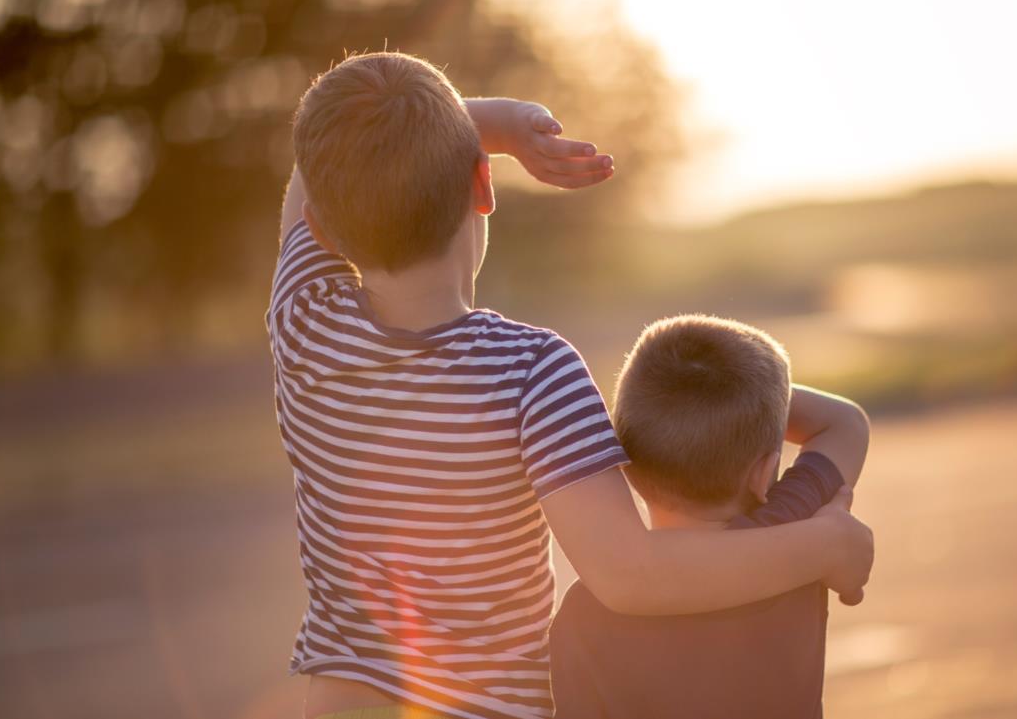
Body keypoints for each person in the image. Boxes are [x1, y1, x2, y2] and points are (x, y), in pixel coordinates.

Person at [268, 52, 874, 719]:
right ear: (482, 184)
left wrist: (483, 127)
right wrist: (826, 543)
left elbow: (308, 179)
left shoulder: (304, 322)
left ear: (322, 229)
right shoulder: (530, 371)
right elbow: (630, 575)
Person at [549, 315, 871, 719]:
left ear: (627, 464)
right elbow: (845, 423)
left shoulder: (591, 608)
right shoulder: (795, 536)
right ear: (761, 472)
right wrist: (757, 403)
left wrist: (669, 410)